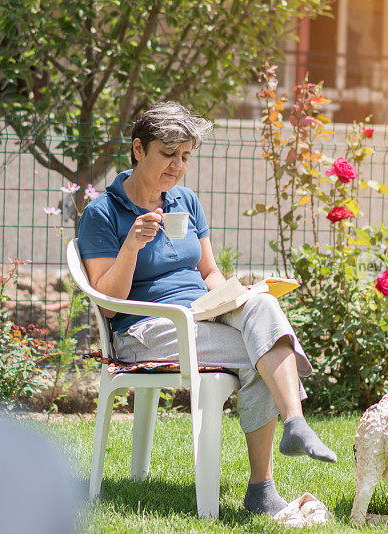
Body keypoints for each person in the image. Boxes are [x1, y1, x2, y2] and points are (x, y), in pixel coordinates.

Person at [76, 101, 336, 518]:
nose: (177, 166)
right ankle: (262, 488)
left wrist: (236, 296)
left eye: (184, 157)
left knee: (264, 307)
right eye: (167, 154)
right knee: (260, 354)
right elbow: (109, 303)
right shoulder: (102, 213)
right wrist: (131, 246)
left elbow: (209, 270)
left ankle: (295, 423)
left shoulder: (185, 201)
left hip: (200, 311)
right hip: (145, 328)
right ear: (139, 150)